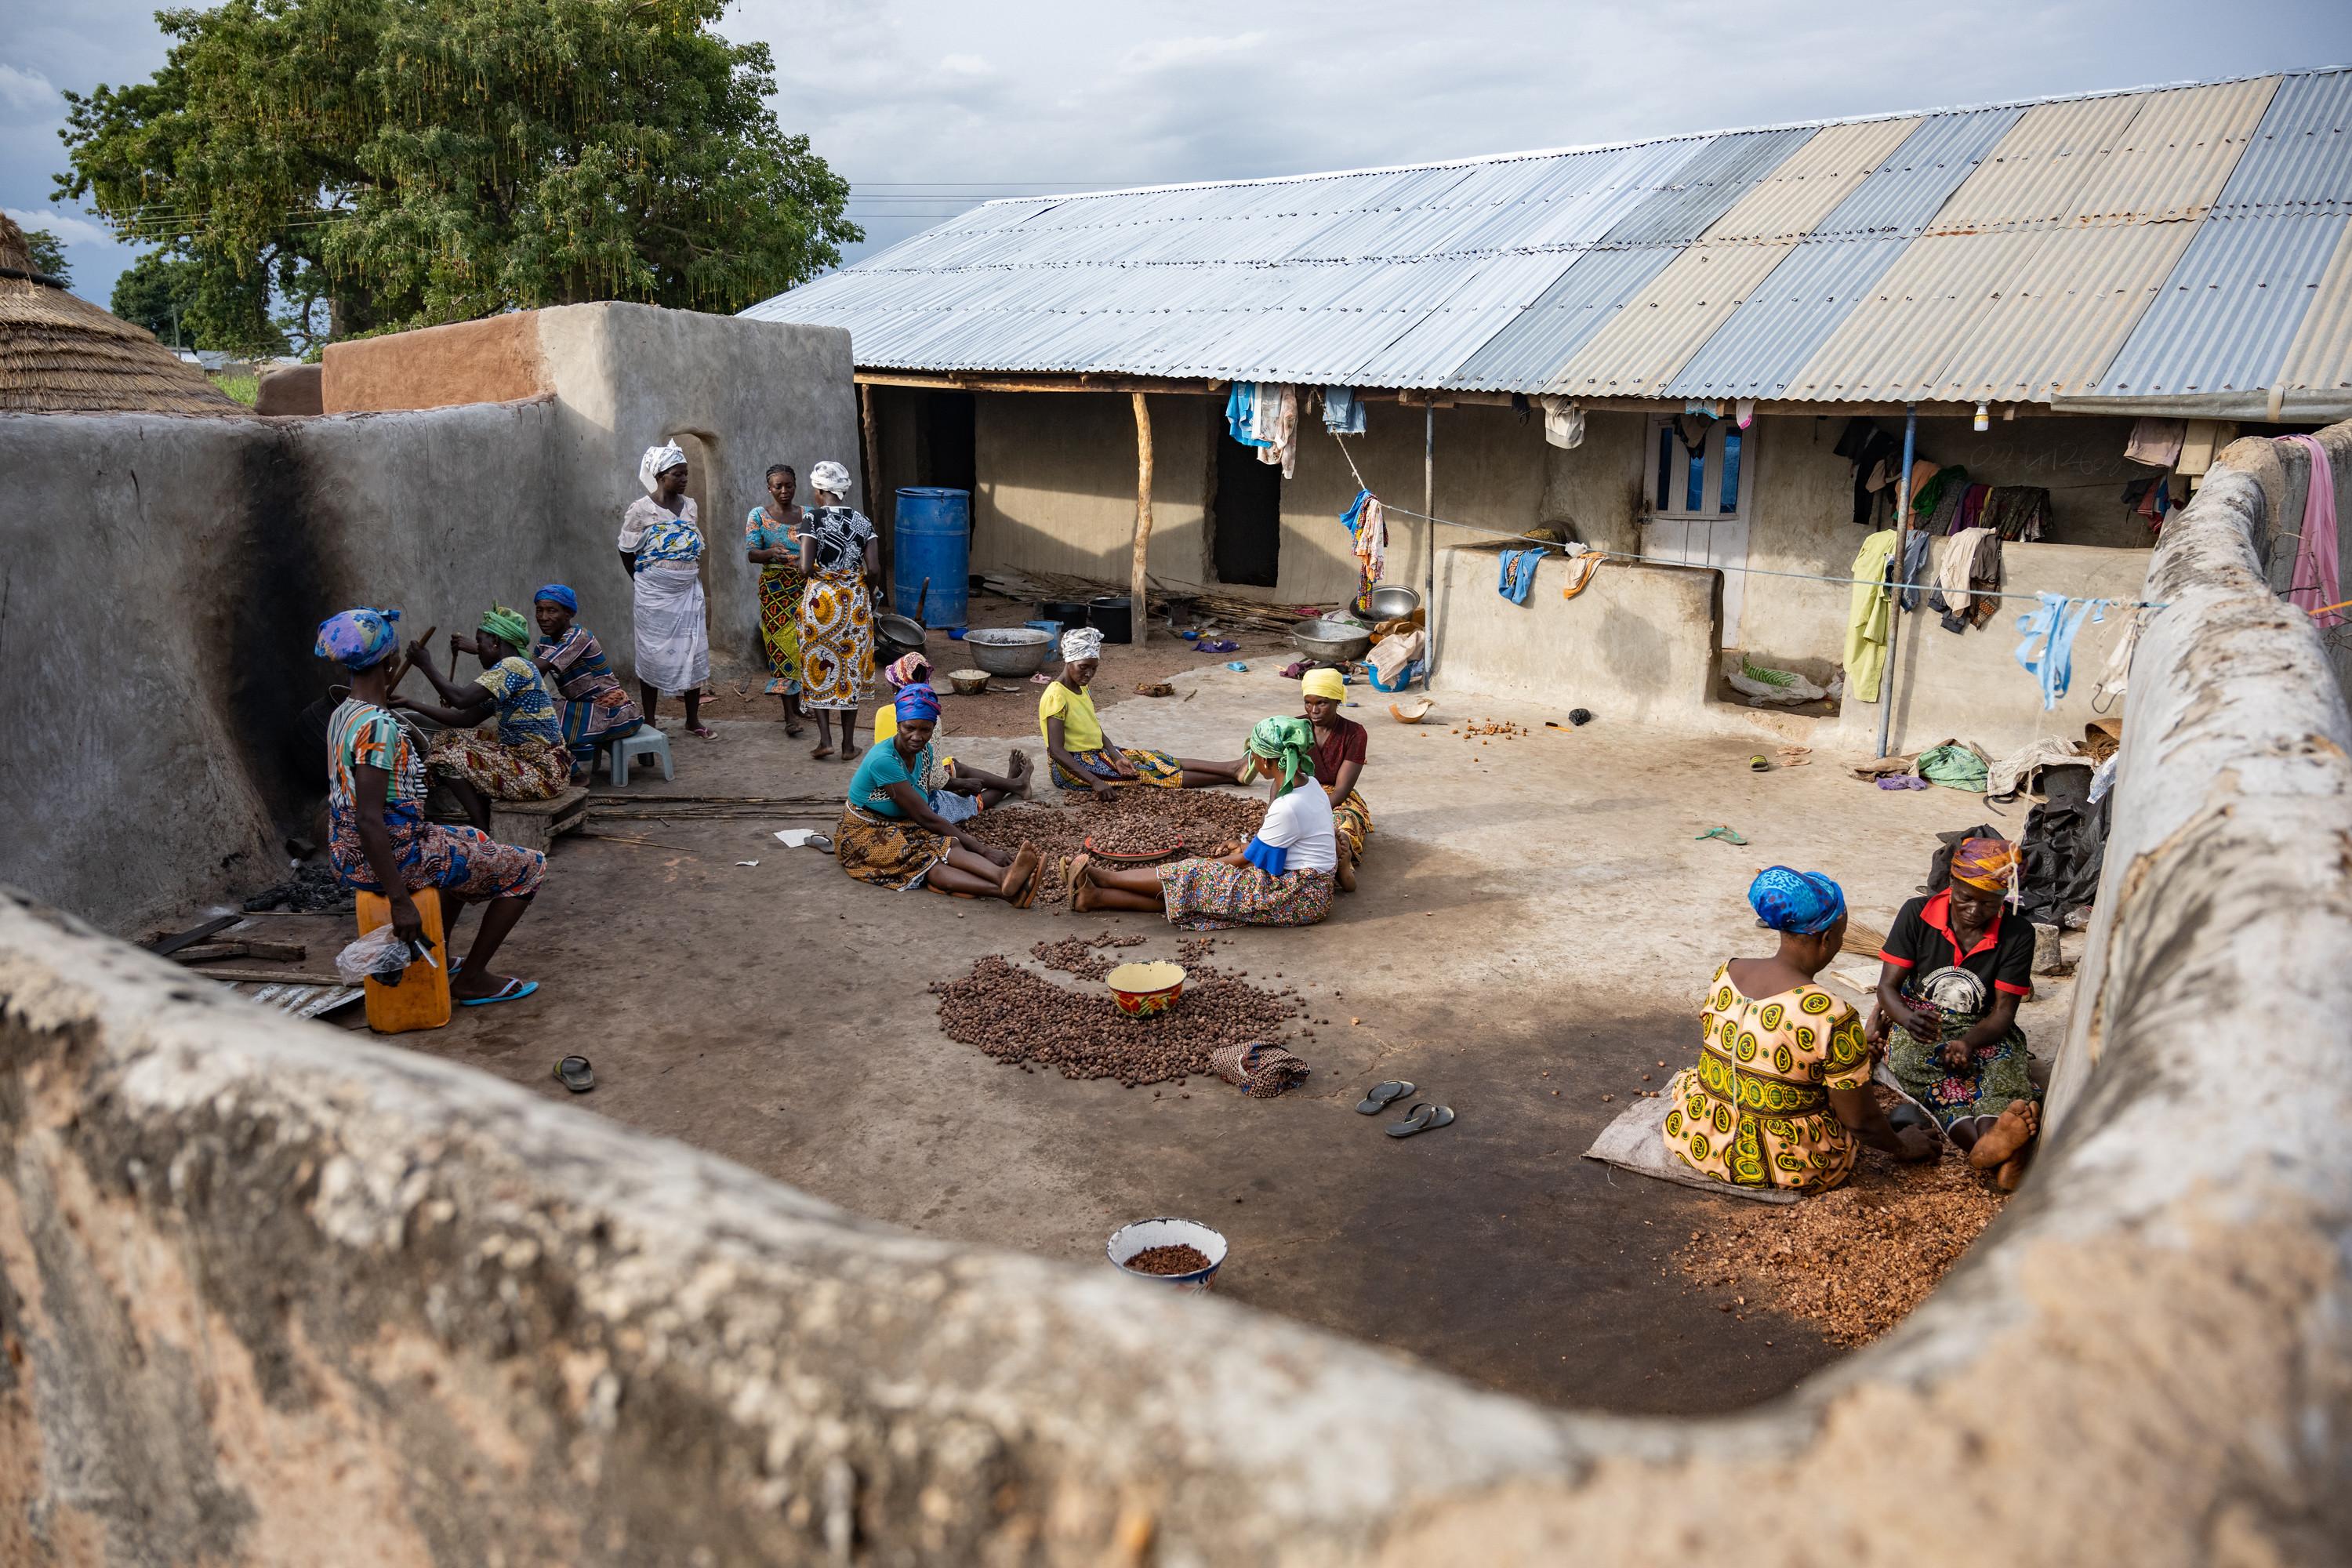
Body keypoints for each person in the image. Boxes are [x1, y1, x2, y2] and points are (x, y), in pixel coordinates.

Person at [314, 607, 543, 1006]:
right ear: (389, 662)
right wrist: (401, 902)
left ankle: (436, 948)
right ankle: (472, 978)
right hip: (397, 853)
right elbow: (370, 819)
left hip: (347, 851)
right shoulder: (379, 727)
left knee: (469, 838)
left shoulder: (343, 714)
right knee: (531, 868)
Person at [1662, 868, 1936, 1192]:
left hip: (1698, 1139)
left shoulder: (1728, 971)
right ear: (1827, 938)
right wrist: (1904, 1146)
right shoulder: (1831, 1013)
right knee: (1885, 1113)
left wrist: (1856, 1050)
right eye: (1842, 935)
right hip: (1786, 1165)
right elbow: (1861, 1123)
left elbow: (1776, 1048)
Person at [1869, 837, 2042, 1188]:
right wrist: (1906, 1018)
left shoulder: (2018, 932)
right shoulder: (1917, 914)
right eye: (1965, 899)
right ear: (1951, 885)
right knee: (1926, 1073)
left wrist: (1967, 1042)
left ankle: (1993, 1144)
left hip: (1983, 1026)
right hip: (1921, 1020)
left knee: (2000, 1068)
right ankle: (1992, 1151)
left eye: (1989, 903)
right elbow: (1887, 989)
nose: (1975, 911)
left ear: (2003, 899)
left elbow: (2003, 1013)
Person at [1071, 717, 1338, 928]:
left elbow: (1249, 861)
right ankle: (1094, 898)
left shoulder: (1288, 807)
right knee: (1199, 894)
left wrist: (1201, 866)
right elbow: (1271, 852)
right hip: (1306, 885)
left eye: (1253, 755)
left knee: (1194, 876)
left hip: (1300, 895)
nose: (1251, 760)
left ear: (1267, 761)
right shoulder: (1310, 785)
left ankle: (1107, 879)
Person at [834, 682, 1042, 902]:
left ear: (933, 728)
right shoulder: (883, 760)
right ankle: (1005, 887)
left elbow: (924, 797)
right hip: (864, 830)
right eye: (909, 728)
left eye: (925, 730)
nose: (917, 736)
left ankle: (1007, 881)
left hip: (902, 823)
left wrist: (956, 789)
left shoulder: (925, 752)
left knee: (949, 843)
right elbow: (925, 816)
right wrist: (984, 850)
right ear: (898, 725)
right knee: (924, 860)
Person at [401, 606, 571, 830]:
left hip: (541, 774)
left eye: (480, 642)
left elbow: (460, 698)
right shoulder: (510, 672)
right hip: (534, 763)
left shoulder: (513, 666)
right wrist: (407, 703)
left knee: (445, 756)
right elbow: (465, 718)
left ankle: (481, 825)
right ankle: (484, 815)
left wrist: (425, 664)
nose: (478, 649)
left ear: (496, 643)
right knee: (447, 739)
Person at [1040, 627, 1233, 794]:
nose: (1089, 674)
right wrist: (1095, 781)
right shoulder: (1057, 695)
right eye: (1083, 667)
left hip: (1096, 753)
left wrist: (1116, 756)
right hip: (1070, 768)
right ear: (1068, 661)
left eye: (1094, 668)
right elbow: (1056, 751)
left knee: (1152, 758)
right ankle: (1231, 778)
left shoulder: (1081, 688)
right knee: (1148, 773)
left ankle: (1229, 768)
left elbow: (1096, 731)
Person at [619, 441, 712, 738]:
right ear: (660, 476)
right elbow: (626, 549)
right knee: (652, 652)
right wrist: (644, 580)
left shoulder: (691, 506)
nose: (685, 479)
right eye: (678, 474)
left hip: (688, 592)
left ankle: (692, 719)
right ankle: (650, 719)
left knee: (692, 648)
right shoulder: (641, 510)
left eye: (686, 473)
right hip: (653, 596)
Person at [797, 459, 878, 761]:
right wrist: (866, 594)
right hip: (854, 601)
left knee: (818, 664)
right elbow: (875, 569)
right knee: (849, 668)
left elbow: (806, 568)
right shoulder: (862, 521)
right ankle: (848, 745)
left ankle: (825, 740)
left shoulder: (811, 520)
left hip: (822, 604)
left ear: (819, 490)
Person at [528, 584, 641, 775]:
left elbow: (526, 670)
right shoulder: (545, 643)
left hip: (614, 712)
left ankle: (573, 773)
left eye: (551, 611)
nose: (544, 617)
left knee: (541, 719)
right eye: (540, 610)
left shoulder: (579, 637)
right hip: (584, 711)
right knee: (535, 709)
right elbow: (528, 677)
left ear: (568, 614)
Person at [745, 463, 806, 736]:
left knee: (806, 646)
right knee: (782, 650)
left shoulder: (807, 515)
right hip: (775, 592)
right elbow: (751, 553)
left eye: (788, 485)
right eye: (778, 486)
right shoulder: (758, 515)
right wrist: (770, 552)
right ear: (769, 489)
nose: (784, 491)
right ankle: (789, 715)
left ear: (796, 486)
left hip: (806, 589)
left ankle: (803, 703)